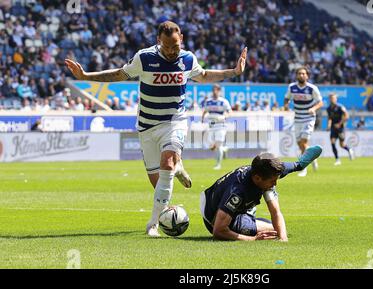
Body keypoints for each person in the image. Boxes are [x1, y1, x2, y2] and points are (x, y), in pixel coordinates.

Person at [65, 21, 248, 237]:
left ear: (182, 40)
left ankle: (153, 223)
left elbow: (205, 75)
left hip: (174, 121)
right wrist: (87, 77)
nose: (171, 51)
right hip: (147, 126)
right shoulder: (144, 58)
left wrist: (234, 71)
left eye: (176, 46)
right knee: (158, 180)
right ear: (158, 41)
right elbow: (118, 75)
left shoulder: (188, 59)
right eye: (167, 46)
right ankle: (177, 169)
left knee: (166, 162)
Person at [200, 146, 322, 241]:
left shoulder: (270, 169)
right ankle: (247, 217)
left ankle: (248, 215)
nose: (276, 184)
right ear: (257, 178)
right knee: (272, 230)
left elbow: (276, 211)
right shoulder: (237, 191)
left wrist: (283, 238)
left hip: (233, 204)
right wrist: (251, 239)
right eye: (273, 181)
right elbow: (218, 231)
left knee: (278, 229)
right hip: (213, 216)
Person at [283, 66, 323, 177]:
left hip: (309, 118)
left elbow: (320, 102)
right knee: (300, 144)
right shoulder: (292, 87)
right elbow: (286, 98)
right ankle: (312, 158)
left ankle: (303, 168)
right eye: (299, 73)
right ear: (296, 75)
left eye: (303, 73)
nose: (301, 75)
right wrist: (286, 105)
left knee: (304, 142)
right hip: (297, 119)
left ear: (307, 75)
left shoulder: (312, 88)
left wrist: (313, 109)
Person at [201, 84, 232, 170]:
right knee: (211, 145)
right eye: (214, 90)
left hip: (221, 126)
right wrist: (202, 119)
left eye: (217, 90)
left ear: (219, 91)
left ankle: (218, 164)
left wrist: (224, 117)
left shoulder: (224, 101)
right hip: (211, 126)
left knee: (218, 146)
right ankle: (224, 149)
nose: (215, 92)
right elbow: (205, 111)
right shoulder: (208, 101)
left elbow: (230, 112)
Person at [326, 93, 354, 166]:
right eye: (331, 98)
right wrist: (329, 125)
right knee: (332, 142)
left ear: (336, 99)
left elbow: (347, 116)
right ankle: (337, 159)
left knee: (341, 145)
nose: (332, 100)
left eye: (334, 98)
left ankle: (349, 149)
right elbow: (329, 118)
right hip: (333, 128)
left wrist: (340, 123)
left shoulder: (340, 107)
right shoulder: (328, 108)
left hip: (340, 128)